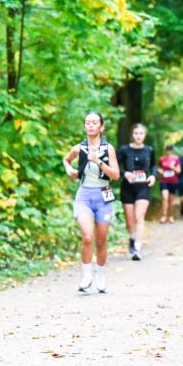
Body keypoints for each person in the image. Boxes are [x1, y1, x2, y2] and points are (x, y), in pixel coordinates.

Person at [63, 112, 120, 294]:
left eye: (94, 122)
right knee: (87, 237)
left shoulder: (108, 148)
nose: (90, 125)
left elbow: (116, 175)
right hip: (84, 196)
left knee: (101, 241)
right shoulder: (79, 148)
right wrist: (69, 170)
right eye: (87, 122)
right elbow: (66, 160)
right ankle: (86, 276)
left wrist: (98, 162)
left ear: (101, 127)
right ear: (84, 126)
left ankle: (100, 276)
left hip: (104, 195)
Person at [117, 124, 156, 260]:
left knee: (139, 217)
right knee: (130, 222)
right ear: (132, 135)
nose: (138, 136)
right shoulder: (124, 150)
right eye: (136, 133)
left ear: (145, 135)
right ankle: (132, 237)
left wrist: (153, 176)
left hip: (143, 187)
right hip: (127, 188)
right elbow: (115, 166)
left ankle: (137, 249)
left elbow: (153, 166)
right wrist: (125, 173)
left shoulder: (149, 150)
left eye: (141, 133)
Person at [157, 144, 181, 224]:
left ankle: (170, 216)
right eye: (167, 150)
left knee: (171, 200)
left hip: (173, 181)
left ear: (172, 151)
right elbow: (158, 168)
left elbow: (179, 171)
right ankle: (164, 216)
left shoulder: (176, 159)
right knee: (165, 197)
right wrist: (160, 171)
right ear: (166, 150)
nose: (169, 152)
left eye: (170, 150)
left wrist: (173, 167)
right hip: (164, 181)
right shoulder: (162, 159)